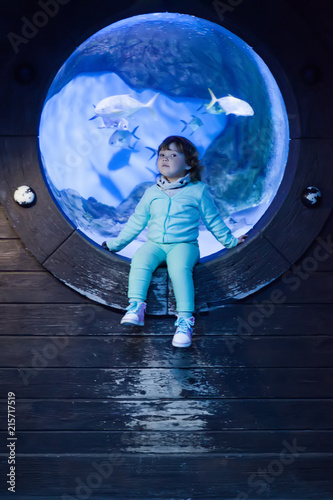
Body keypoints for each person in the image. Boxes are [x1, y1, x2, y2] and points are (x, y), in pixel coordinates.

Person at [102, 135, 247, 348]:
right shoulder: (151, 192)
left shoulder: (198, 191)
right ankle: (136, 306)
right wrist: (116, 244)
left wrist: (231, 242)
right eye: (162, 155)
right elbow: (136, 221)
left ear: (189, 163)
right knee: (140, 259)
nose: (165, 158)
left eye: (173, 155)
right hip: (155, 244)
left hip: (184, 246)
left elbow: (213, 220)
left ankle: (185, 321)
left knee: (179, 270)